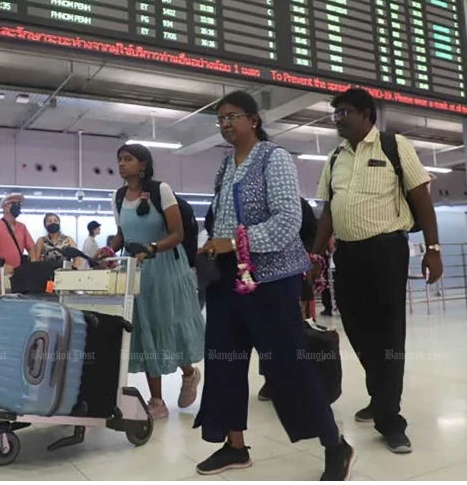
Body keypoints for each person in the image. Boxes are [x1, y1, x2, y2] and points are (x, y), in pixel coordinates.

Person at [194, 91, 353, 480]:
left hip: (270, 279)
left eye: (233, 116)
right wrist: (216, 246)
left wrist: (234, 241)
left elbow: (287, 222)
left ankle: (336, 444)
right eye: (220, 119)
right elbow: (220, 218)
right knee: (224, 362)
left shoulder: (274, 158)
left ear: (254, 120)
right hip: (226, 279)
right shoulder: (225, 165)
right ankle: (235, 447)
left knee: (287, 365)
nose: (226, 124)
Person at [312, 88, 443, 455]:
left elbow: (422, 200)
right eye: (334, 113)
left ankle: (390, 419)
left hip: (386, 250)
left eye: (345, 112)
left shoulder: (393, 145)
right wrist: (315, 257)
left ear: (367, 114)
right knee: (356, 328)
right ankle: (381, 396)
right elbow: (328, 212)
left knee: (388, 334)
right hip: (348, 255)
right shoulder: (335, 157)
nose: (338, 119)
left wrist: (433, 249)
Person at [111, 143, 204, 420]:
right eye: (119, 159)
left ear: (143, 165)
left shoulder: (161, 190)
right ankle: (157, 401)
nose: (121, 164)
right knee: (146, 329)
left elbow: (177, 233)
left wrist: (152, 248)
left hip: (166, 269)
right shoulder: (118, 197)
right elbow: (122, 236)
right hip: (136, 270)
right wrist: (108, 248)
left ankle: (189, 373)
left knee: (168, 326)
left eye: (128, 159)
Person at [257, 196, 318, 402]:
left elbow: (312, 235)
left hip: (296, 275)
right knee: (267, 330)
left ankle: (302, 378)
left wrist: (307, 257)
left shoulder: (298, 204)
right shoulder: (256, 203)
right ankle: (271, 378)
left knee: (298, 329)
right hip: (264, 276)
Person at [0, 194, 37, 298]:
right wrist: (0, 264)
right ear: (5, 207)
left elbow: (31, 246)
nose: (18, 206)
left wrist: (33, 262)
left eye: (19, 204)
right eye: (14, 204)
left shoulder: (22, 227)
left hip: (16, 278)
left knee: (14, 308)